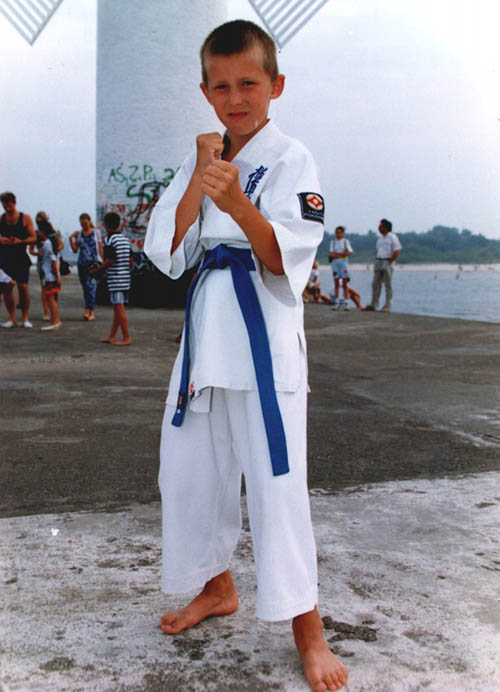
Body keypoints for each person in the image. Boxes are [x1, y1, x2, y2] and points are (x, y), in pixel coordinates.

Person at [144, 20, 348, 692]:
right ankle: (217, 586)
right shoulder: (200, 158)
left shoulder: (293, 158)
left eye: (248, 84)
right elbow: (169, 252)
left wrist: (237, 204)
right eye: (222, 86)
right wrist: (203, 179)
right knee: (187, 473)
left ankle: (308, 630)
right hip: (206, 339)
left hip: (263, 343)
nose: (236, 98)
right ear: (205, 92)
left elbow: (287, 259)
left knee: (276, 484)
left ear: (275, 86)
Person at [94, 211, 131, 346]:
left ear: (105, 226)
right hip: (125, 278)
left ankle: (126, 337)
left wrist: (96, 270)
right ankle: (112, 336)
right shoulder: (125, 240)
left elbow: (109, 260)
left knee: (119, 308)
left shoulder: (109, 240)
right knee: (117, 309)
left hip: (115, 279)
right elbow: (130, 260)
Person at [0, 191, 36, 328]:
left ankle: (25, 318)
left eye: (8, 205)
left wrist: (21, 241)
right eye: (4, 206)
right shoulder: (1, 219)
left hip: (20, 256)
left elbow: (33, 237)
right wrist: (1, 240)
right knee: (7, 288)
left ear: (14, 203)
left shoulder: (25, 218)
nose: (6, 208)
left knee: (23, 286)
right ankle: (12, 318)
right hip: (5, 256)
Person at [69, 213, 103, 321]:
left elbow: (100, 247)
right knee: (85, 288)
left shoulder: (96, 233)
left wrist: (102, 262)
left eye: (85, 223)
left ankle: (90, 310)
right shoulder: (79, 234)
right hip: (82, 263)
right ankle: (87, 308)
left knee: (91, 286)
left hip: (93, 263)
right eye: (82, 224)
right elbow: (75, 250)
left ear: (89, 221)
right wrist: (71, 238)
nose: (83, 225)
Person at [363, 218, 402, 312]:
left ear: (385, 227)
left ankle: (387, 305)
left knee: (388, 284)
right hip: (379, 261)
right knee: (375, 284)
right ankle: (373, 304)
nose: (379, 228)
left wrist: (389, 261)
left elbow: (397, 251)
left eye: (380, 226)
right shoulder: (380, 238)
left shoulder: (392, 237)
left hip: (387, 261)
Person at [31, 211, 63, 321]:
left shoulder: (52, 233)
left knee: (53, 289)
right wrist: (39, 253)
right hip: (43, 262)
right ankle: (47, 312)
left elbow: (60, 244)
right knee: (45, 288)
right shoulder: (37, 234)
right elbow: (31, 250)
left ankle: (54, 312)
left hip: (52, 261)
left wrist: (56, 249)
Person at [37, 219, 62, 330]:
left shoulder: (47, 244)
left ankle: (55, 321)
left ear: (43, 231)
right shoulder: (51, 242)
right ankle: (56, 320)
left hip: (49, 276)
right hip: (51, 275)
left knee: (50, 299)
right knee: (52, 299)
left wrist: (56, 276)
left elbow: (53, 261)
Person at [329, 226, 353, 310]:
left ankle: (346, 301)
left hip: (344, 263)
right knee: (336, 282)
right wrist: (342, 254)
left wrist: (338, 255)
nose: (338, 234)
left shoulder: (346, 242)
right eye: (337, 232)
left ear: (343, 233)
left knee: (344, 282)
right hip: (335, 263)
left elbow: (348, 252)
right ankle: (337, 301)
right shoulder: (333, 242)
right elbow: (331, 254)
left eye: (340, 232)